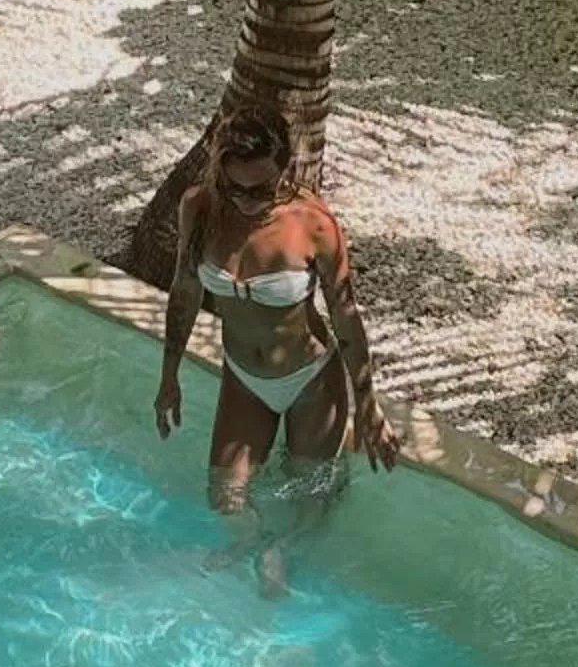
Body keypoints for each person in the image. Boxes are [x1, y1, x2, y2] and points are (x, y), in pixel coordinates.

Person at [155, 102, 401, 516]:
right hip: (243, 378)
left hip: (311, 379)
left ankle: (274, 570)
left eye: (261, 189)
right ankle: (254, 561)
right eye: (236, 188)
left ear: (284, 167)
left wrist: (368, 406)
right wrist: (169, 377)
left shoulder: (314, 223)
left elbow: (345, 314)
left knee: (309, 505)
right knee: (224, 501)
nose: (249, 201)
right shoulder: (200, 209)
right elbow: (184, 292)